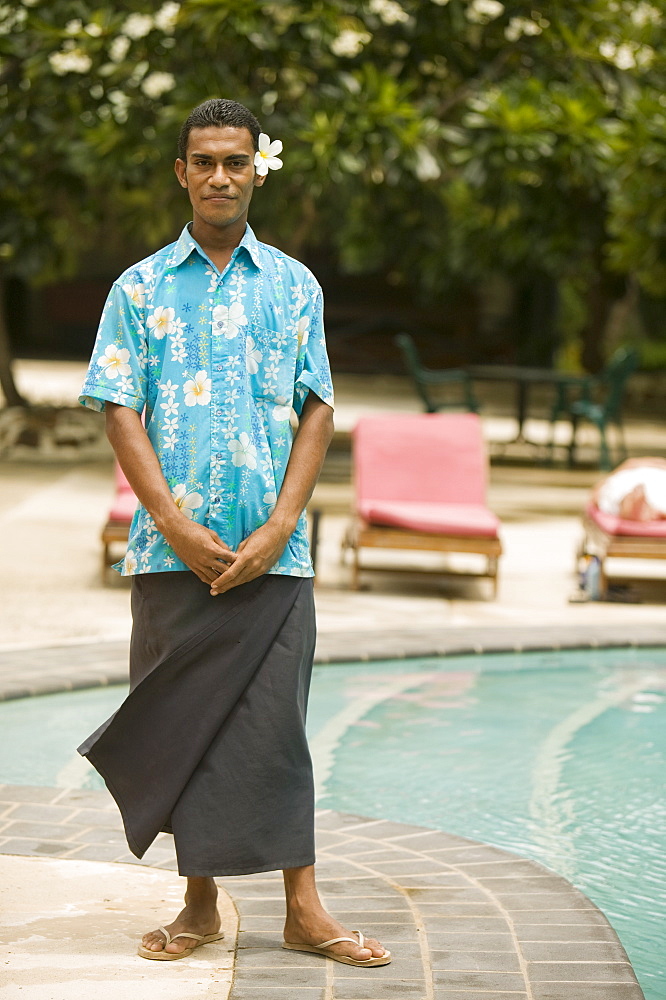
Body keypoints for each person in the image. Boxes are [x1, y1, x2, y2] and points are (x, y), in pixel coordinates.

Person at [77, 98, 390, 969]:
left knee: (277, 730)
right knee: (185, 727)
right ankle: (199, 906)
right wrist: (173, 525)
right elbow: (119, 409)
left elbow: (319, 404)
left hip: (275, 558)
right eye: (204, 161)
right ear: (181, 172)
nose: (220, 176)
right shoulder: (137, 288)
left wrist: (284, 522)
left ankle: (303, 907)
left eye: (236, 161)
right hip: (168, 555)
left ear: (259, 169)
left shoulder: (295, 286)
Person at [594, 458, 666, 521]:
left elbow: (630, 462)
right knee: (608, 495)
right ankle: (638, 509)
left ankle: (637, 509)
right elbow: (631, 462)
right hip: (630, 481)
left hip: (629, 482)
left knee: (607, 496)